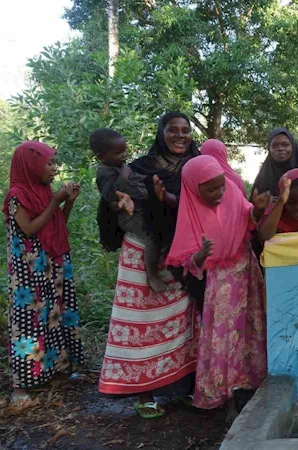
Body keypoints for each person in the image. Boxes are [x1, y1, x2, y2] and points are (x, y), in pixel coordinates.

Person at [98, 112, 200, 419]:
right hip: (142, 250)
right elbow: (112, 199)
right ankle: (144, 393)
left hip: (180, 253)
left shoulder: (197, 165)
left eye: (186, 130)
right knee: (141, 322)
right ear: (161, 132)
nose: (180, 136)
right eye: (173, 130)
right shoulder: (141, 166)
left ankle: (180, 389)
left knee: (181, 323)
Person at [165, 155, 269, 419]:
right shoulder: (189, 212)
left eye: (221, 186)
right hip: (219, 282)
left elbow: (248, 217)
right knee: (223, 335)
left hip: (246, 270)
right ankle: (225, 395)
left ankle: (250, 383)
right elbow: (187, 259)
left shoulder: (232, 190)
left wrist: (256, 209)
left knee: (250, 328)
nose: (219, 192)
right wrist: (201, 255)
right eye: (211, 189)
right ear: (193, 188)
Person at [5, 141, 83, 405]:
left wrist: (67, 203)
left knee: (55, 315)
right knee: (29, 321)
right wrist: (56, 201)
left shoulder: (43, 191)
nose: (53, 168)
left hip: (51, 262)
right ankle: (21, 385)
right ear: (31, 164)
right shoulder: (17, 194)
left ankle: (55, 371)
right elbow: (29, 229)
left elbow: (56, 224)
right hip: (29, 271)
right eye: (48, 163)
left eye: (54, 163)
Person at [92, 128, 167, 293]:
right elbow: (110, 196)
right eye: (118, 153)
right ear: (102, 157)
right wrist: (124, 177)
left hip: (140, 209)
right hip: (129, 216)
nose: (124, 155)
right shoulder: (105, 172)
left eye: (125, 150)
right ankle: (152, 276)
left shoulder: (120, 165)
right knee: (152, 237)